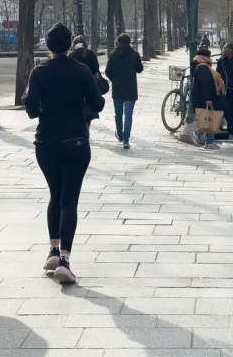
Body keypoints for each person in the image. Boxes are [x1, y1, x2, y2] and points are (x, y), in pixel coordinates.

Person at [23, 23, 105, 284]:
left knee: (54, 195)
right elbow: (98, 102)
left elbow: (32, 109)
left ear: (48, 46)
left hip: (46, 141)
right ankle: (65, 261)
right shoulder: (80, 71)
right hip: (76, 140)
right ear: (69, 44)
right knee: (69, 199)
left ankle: (53, 250)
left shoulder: (39, 71)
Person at [104, 33, 143, 149]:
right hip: (130, 89)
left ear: (118, 42)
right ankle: (126, 139)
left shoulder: (113, 55)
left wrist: (114, 79)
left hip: (117, 89)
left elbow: (107, 72)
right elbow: (139, 69)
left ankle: (119, 134)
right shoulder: (134, 54)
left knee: (118, 113)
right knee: (129, 114)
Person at [192, 48, 225, 149]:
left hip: (201, 98)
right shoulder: (203, 68)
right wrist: (208, 99)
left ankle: (198, 135)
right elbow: (205, 84)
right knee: (210, 120)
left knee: (206, 119)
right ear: (205, 57)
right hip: (205, 98)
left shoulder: (198, 66)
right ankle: (208, 141)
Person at [71, 36, 102, 126]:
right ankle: (86, 127)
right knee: (88, 109)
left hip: (74, 86)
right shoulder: (90, 53)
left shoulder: (71, 54)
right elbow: (95, 68)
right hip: (88, 85)